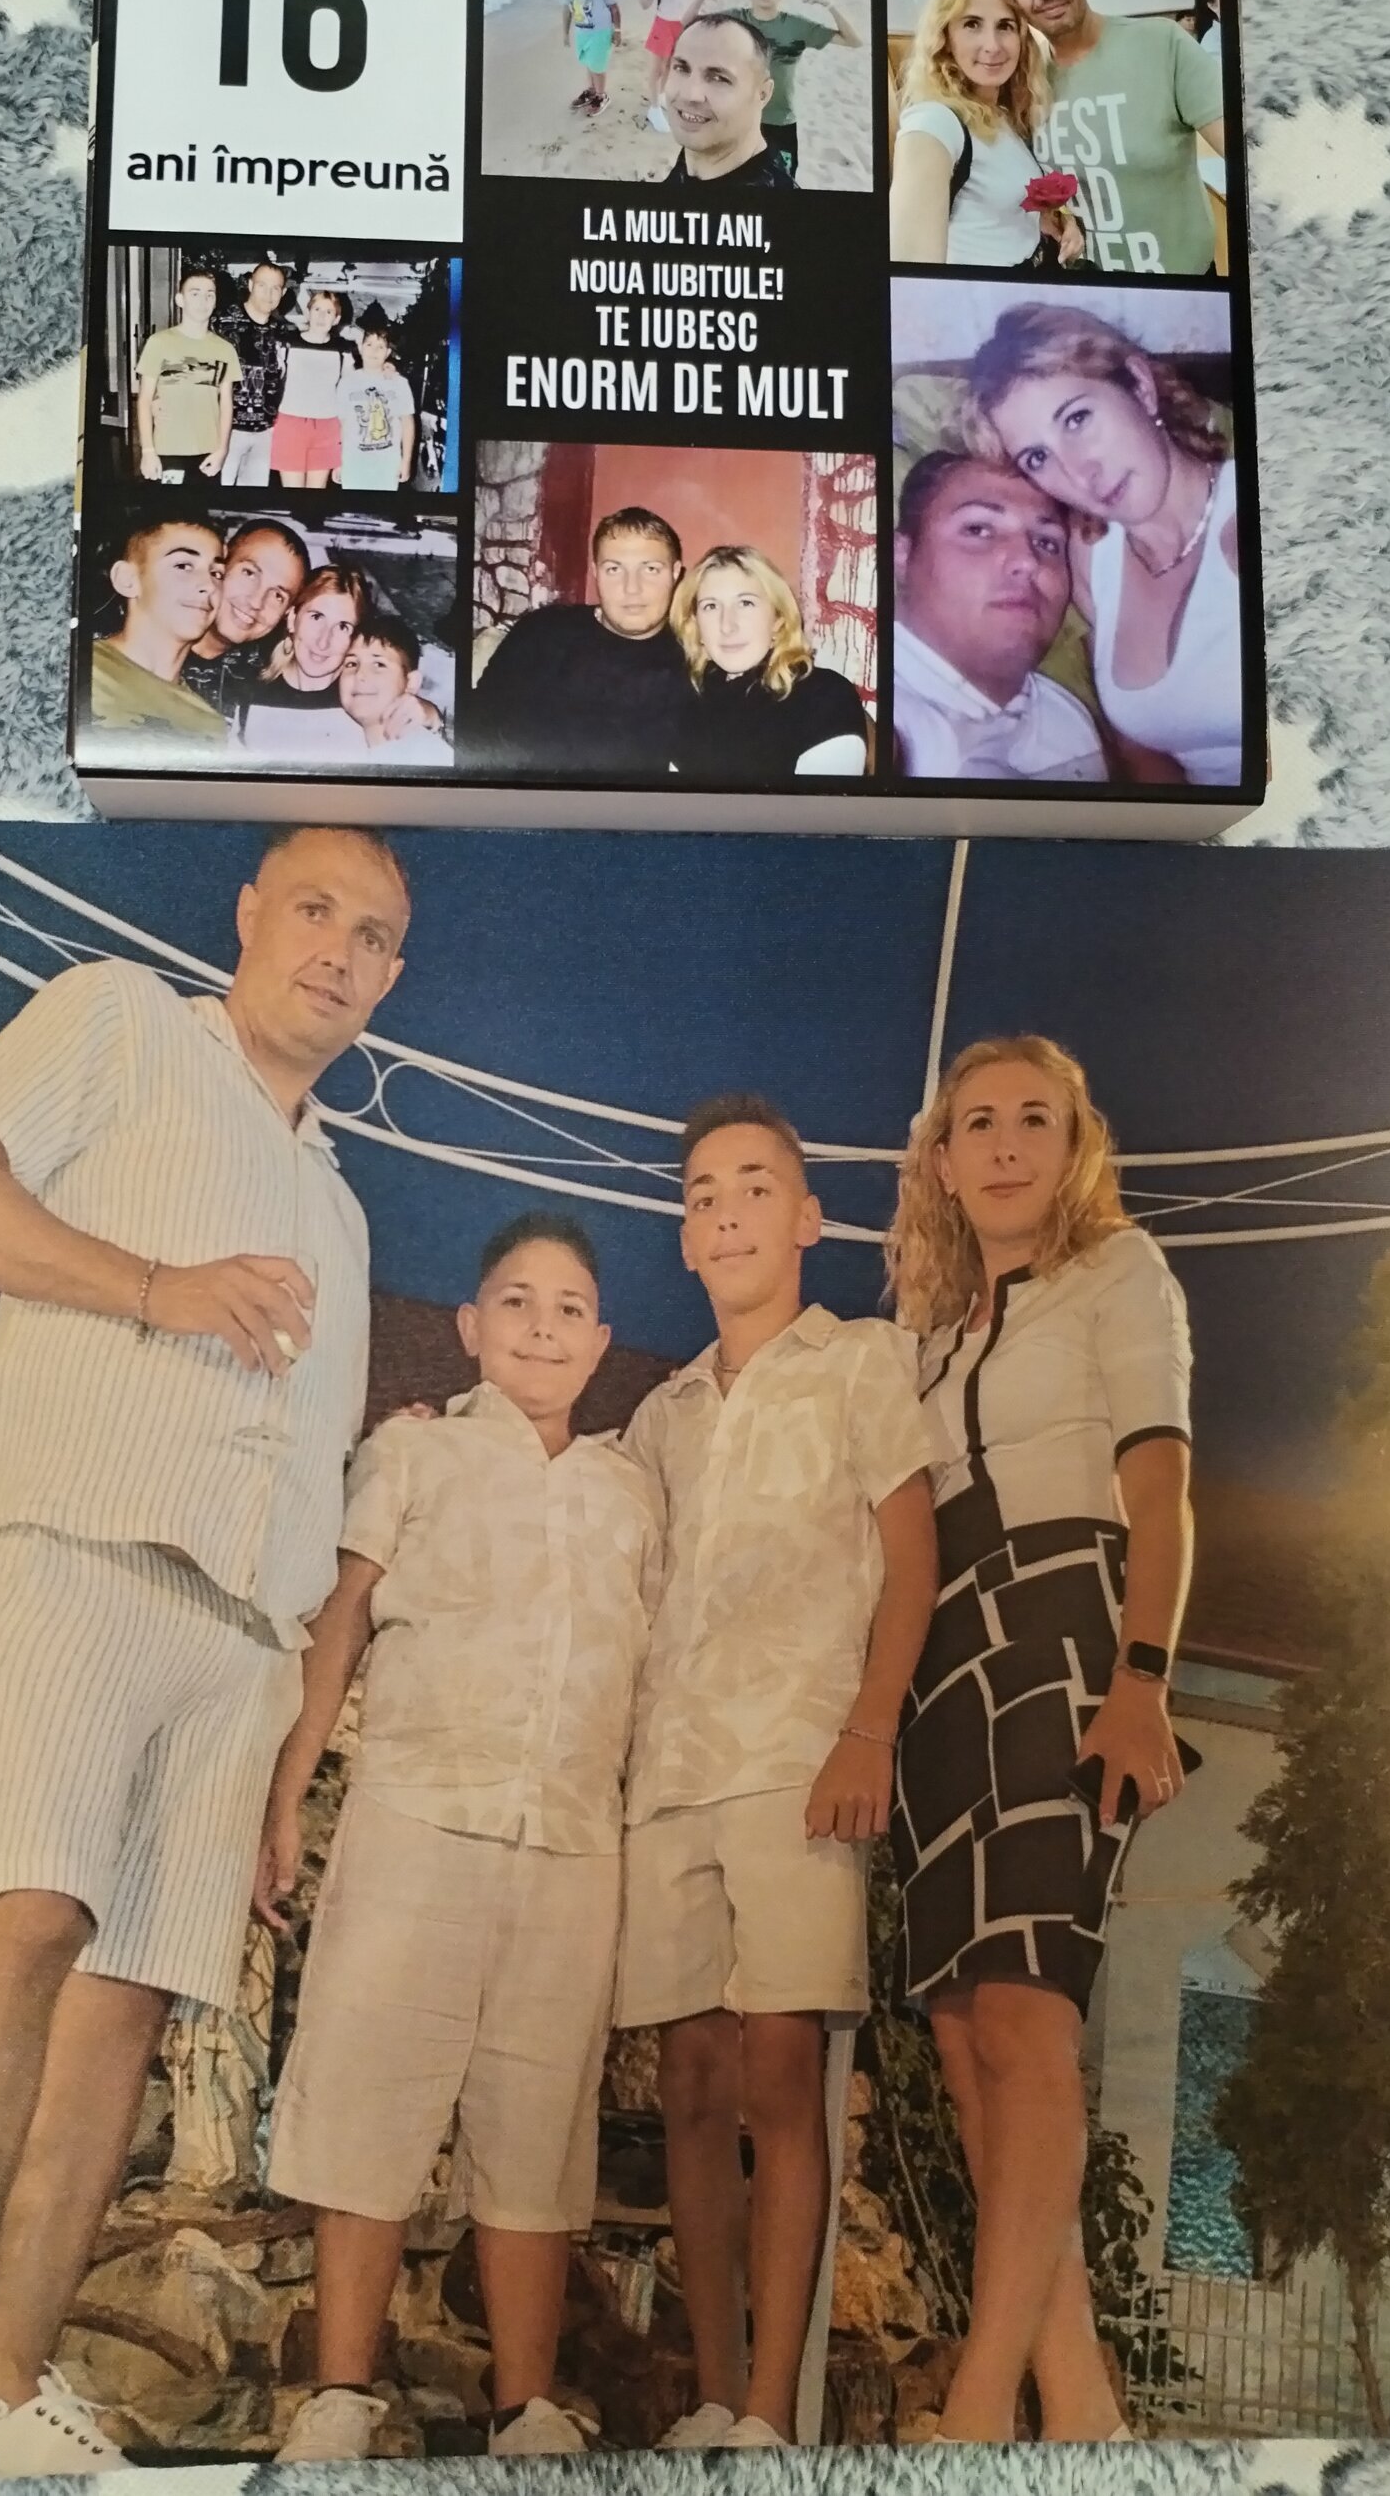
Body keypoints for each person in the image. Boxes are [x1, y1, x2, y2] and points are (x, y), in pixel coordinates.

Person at [0, 826, 410, 2482]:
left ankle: (11, 2386)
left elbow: (317, 1462)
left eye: (376, 935)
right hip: (80, 1530)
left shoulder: (342, 1205)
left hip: (242, 1633)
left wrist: (287, 1739)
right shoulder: (121, 1018)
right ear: (248, 914)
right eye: (314, 909)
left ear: (391, 979)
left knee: (125, 2004)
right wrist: (159, 1285)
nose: (339, 950)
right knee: (30, 1912)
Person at [258, 1213, 660, 2461]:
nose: (542, 1328)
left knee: (536, 2124)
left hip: (573, 1845)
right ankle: (339, 2393)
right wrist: (283, 1793)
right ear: (471, 1327)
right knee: (366, 2097)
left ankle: (523, 2408)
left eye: (569, 1309)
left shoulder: (630, 1492)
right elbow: (338, 1624)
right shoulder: (413, 1452)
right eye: (517, 1303)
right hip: (417, 1820)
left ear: (600, 1341)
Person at [883, 1037, 1195, 2443]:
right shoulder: (929, 1333)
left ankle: (972, 2412)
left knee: (1028, 2015)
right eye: (977, 1123)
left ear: (1075, 1146)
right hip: (945, 1661)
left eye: (1033, 1120)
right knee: (966, 2044)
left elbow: (1163, 1488)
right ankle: (1080, 2415)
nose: (1004, 1144)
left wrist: (1141, 1676)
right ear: (942, 1161)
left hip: (1068, 1627)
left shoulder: (1119, 1272)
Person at [619, 1096, 939, 2450]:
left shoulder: (861, 1362)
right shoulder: (660, 1414)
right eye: (703, 1194)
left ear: (806, 1217)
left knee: (780, 2068)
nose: (727, 1211)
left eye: (754, 1186)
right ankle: (710, 2391)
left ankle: (768, 2413)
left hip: (796, 1758)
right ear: (685, 1237)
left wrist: (869, 1727)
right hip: (667, 1770)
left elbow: (911, 1556)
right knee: (689, 2082)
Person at [962, 300, 1242, 787]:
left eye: (1076, 419)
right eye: (1037, 457)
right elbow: (1141, 746)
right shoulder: (1091, 559)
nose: (1079, 473)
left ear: (1140, 386)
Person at [991, 0, 1226, 275]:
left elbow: (1254, 161)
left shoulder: (1160, 44)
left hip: (1183, 286)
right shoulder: (1020, 78)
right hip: (1085, 291)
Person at [891, 452, 1109, 784]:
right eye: (978, 529)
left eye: (1047, 542)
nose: (1028, 561)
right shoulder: (863, 715)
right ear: (901, 555)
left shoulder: (1069, 723)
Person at [466, 503, 699, 776]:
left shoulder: (693, 664)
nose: (632, 588)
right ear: (596, 572)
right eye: (614, 569)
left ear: (675, 573)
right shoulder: (543, 631)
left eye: (650, 569)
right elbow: (477, 722)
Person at [890, 0, 1082, 269]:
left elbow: (992, 205)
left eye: (1005, 26)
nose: (992, 46)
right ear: (945, 39)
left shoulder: (1002, 114)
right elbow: (911, 266)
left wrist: (1056, 218)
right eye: (972, 25)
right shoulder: (934, 121)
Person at [667, 544, 869, 782]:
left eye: (746, 603)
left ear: (778, 619)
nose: (727, 625)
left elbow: (821, 805)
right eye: (710, 606)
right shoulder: (686, 701)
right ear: (696, 626)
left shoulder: (823, 696)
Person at [85, 511, 229, 745]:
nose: (209, 585)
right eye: (183, 566)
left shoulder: (209, 725)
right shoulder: (80, 671)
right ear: (127, 580)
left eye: (217, 573)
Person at [718, 0, 862, 180]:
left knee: (782, 181)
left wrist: (830, 5)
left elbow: (853, 41)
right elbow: (689, 28)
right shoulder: (734, 19)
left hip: (780, 119)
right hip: (739, 118)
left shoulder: (797, 26)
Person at [232, 565, 370, 761]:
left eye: (342, 626)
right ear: (292, 619)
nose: (323, 641)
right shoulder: (249, 694)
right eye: (316, 617)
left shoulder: (366, 705)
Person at [661, 14, 789, 189]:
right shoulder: (705, 150)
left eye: (718, 78)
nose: (690, 95)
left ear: (763, 94)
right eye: (681, 68)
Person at [134, 268, 239, 482]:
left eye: (210, 295)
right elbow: (144, 400)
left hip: (208, 452)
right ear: (180, 300)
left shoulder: (225, 349)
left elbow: (226, 404)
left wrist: (222, 450)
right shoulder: (159, 342)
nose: (203, 301)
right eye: (195, 293)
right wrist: (147, 451)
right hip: (167, 449)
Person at [183, 518, 310, 682]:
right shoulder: (156, 640)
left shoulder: (261, 679)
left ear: (287, 612)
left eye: (278, 595)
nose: (256, 602)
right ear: (222, 562)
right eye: (249, 573)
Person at [214, 259, 291, 486]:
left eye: (275, 288)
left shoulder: (283, 331)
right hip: (225, 431)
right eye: (262, 285)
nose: (269, 294)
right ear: (250, 285)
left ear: (283, 293)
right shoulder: (221, 322)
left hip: (265, 432)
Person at [337, 612, 450, 765]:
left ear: (411, 682)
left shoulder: (431, 757)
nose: (360, 674)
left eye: (379, 664)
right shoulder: (341, 748)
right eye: (351, 664)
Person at [271, 288, 353, 489]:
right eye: (317, 309)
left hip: (327, 428)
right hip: (290, 424)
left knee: (316, 496)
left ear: (336, 319)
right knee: (292, 494)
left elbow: (350, 394)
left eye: (328, 311)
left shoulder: (343, 350)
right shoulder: (287, 344)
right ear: (308, 313)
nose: (322, 316)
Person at [336, 322, 416, 493]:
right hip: (353, 462)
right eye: (369, 345)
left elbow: (408, 424)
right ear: (360, 347)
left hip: (388, 463)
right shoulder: (346, 383)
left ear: (387, 353)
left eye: (380, 347)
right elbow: (340, 425)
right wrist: (337, 462)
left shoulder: (399, 383)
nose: (374, 351)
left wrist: (406, 461)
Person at [635, 0, 704, 129]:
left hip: (685, 26)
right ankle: (654, 109)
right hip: (664, 25)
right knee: (657, 69)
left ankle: (662, 96)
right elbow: (645, 4)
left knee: (671, 66)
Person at [562, 0, 621, 118]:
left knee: (598, 65)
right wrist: (565, 33)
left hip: (600, 32)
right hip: (582, 32)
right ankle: (592, 90)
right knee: (589, 62)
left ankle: (602, 96)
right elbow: (567, 10)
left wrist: (617, 30)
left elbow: (614, 7)